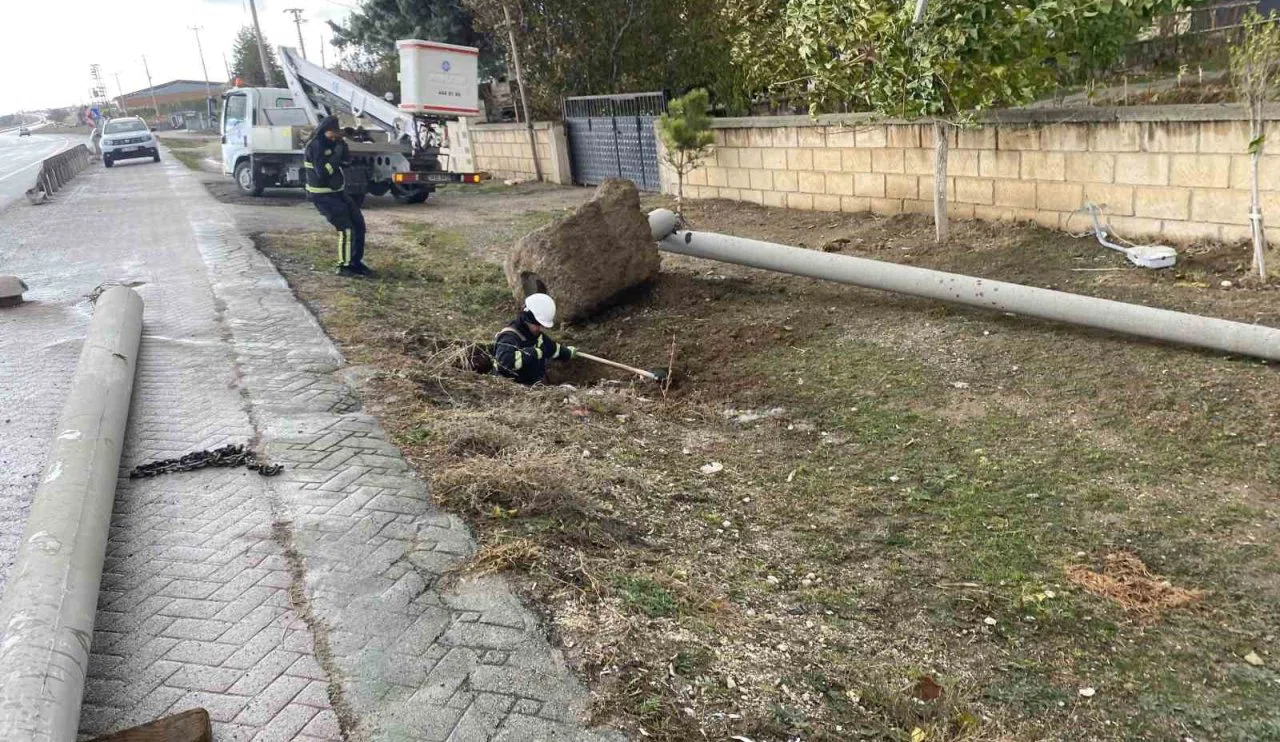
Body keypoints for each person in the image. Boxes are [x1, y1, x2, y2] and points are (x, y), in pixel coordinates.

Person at [304, 115, 370, 277]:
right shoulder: (316, 146)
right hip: (322, 195)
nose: (334, 136)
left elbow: (346, 163)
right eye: (333, 133)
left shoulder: (333, 143)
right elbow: (322, 173)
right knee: (346, 229)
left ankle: (355, 262)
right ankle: (344, 266)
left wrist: (343, 147)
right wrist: (335, 156)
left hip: (338, 192)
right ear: (325, 131)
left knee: (359, 225)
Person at [493, 293, 577, 385]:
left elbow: (551, 348)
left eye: (542, 325)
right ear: (527, 318)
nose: (540, 329)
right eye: (538, 324)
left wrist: (567, 352)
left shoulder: (535, 335)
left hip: (534, 386)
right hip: (510, 388)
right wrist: (533, 353)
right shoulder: (508, 337)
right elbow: (504, 362)